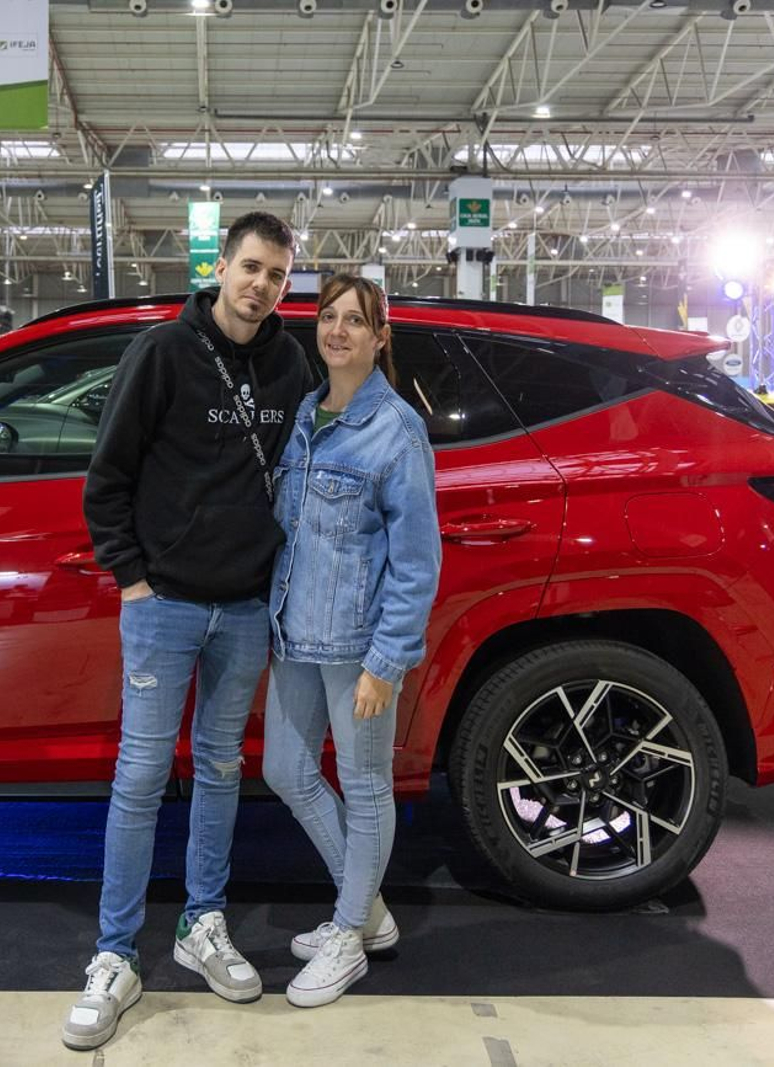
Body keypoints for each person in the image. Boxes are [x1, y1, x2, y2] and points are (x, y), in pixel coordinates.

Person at [65, 212, 312, 1051]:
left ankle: (202, 922)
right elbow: (108, 479)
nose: (261, 286)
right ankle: (112, 953)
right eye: (250, 268)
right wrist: (133, 579)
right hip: (164, 602)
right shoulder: (163, 354)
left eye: (277, 275)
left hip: (244, 609)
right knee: (139, 774)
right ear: (219, 266)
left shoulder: (289, 364)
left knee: (217, 768)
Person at [261, 274, 441, 1009]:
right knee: (285, 768)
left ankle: (346, 932)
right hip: (294, 633)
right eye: (328, 317)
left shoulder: (395, 430)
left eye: (355, 321)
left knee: (365, 786)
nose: (337, 330)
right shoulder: (307, 413)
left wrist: (386, 662)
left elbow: (417, 561)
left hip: (357, 645)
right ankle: (364, 909)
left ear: (379, 337)